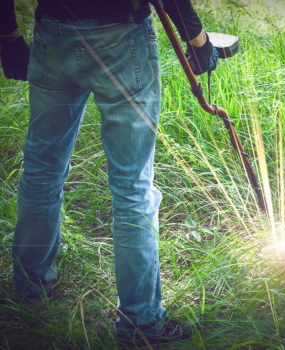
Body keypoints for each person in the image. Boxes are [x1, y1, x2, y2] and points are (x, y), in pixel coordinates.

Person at [0, 0, 218, 346]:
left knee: (41, 171)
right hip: (120, 37)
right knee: (132, 188)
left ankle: (29, 292)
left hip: (53, 32)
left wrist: (8, 36)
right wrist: (198, 41)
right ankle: (140, 323)